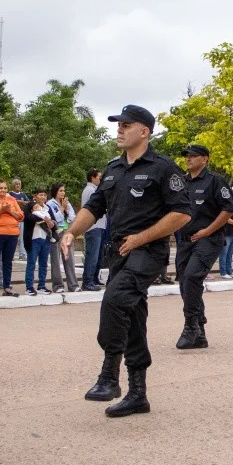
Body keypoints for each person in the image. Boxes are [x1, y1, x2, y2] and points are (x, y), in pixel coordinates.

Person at [60, 104, 191, 417]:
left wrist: (141, 238)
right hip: (118, 252)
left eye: (126, 125)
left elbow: (182, 213)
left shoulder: (163, 167)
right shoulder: (113, 169)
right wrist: (70, 231)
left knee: (115, 301)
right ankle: (138, 394)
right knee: (132, 318)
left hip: (148, 252)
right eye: (118, 124)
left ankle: (108, 375)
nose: (119, 129)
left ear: (144, 131)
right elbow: (94, 208)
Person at [174, 144, 233, 349]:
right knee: (185, 283)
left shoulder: (215, 181)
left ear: (205, 159)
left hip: (208, 239)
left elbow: (228, 209)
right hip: (184, 240)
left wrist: (208, 230)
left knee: (192, 276)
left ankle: (191, 326)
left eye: (193, 156)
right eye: (186, 156)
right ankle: (200, 332)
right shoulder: (180, 182)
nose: (188, 159)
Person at [47, 183, 79, 292]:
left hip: (67, 232)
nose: (63, 193)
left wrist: (66, 210)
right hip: (57, 232)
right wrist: (61, 208)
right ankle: (58, 286)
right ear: (55, 191)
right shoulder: (50, 204)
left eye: (64, 191)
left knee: (69, 259)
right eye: (60, 191)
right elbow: (54, 218)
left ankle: (73, 285)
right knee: (56, 260)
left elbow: (73, 218)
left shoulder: (67, 203)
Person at [81, 169, 107, 291]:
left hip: (100, 225)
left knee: (99, 255)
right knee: (92, 255)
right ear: (92, 177)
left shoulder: (95, 190)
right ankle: (87, 281)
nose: (100, 180)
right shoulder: (90, 190)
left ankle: (94, 278)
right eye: (99, 177)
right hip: (93, 227)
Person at [24, 188, 53, 295]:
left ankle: (41, 286)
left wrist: (51, 222)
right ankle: (29, 287)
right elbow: (29, 217)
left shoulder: (47, 208)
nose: (43, 197)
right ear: (35, 196)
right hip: (33, 239)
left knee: (43, 264)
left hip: (45, 238)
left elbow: (53, 221)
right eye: (41, 195)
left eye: (45, 195)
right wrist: (45, 220)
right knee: (31, 263)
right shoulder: (30, 206)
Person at [8, 178, 30, 261]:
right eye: (16, 184)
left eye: (19, 184)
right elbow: (10, 201)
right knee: (13, 238)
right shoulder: (10, 194)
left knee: (22, 237)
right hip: (13, 218)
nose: (17, 186)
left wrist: (23, 202)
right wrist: (20, 201)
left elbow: (28, 202)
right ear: (13, 185)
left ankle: (22, 254)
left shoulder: (23, 194)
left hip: (22, 218)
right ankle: (11, 254)